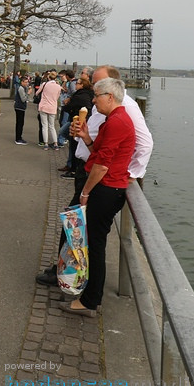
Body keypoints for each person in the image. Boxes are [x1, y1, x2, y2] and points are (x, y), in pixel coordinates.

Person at [61, 76, 136, 317]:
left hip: (106, 189)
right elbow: (100, 153)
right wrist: (86, 138)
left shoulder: (117, 122)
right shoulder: (113, 120)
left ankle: (91, 299)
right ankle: (85, 291)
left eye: (97, 96)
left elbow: (103, 165)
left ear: (109, 97)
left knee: (95, 244)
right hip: (107, 188)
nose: (93, 101)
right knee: (91, 241)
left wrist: (85, 192)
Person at [37, 71, 62, 151]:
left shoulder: (44, 84)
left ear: (48, 77)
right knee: (52, 126)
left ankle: (46, 144)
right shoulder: (58, 86)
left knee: (44, 126)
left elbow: (37, 93)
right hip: (52, 107)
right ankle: (55, 143)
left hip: (44, 106)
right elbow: (57, 97)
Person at [13, 74, 31, 144]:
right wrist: (28, 94)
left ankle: (19, 137)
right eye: (25, 82)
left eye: (27, 82)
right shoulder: (21, 88)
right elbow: (23, 99)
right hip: (19, 107)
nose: (27, 83)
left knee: (20, 123)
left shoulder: (23, 88)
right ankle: (18, 138)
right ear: (22, 82)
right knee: (20, 123)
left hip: (20, 107)